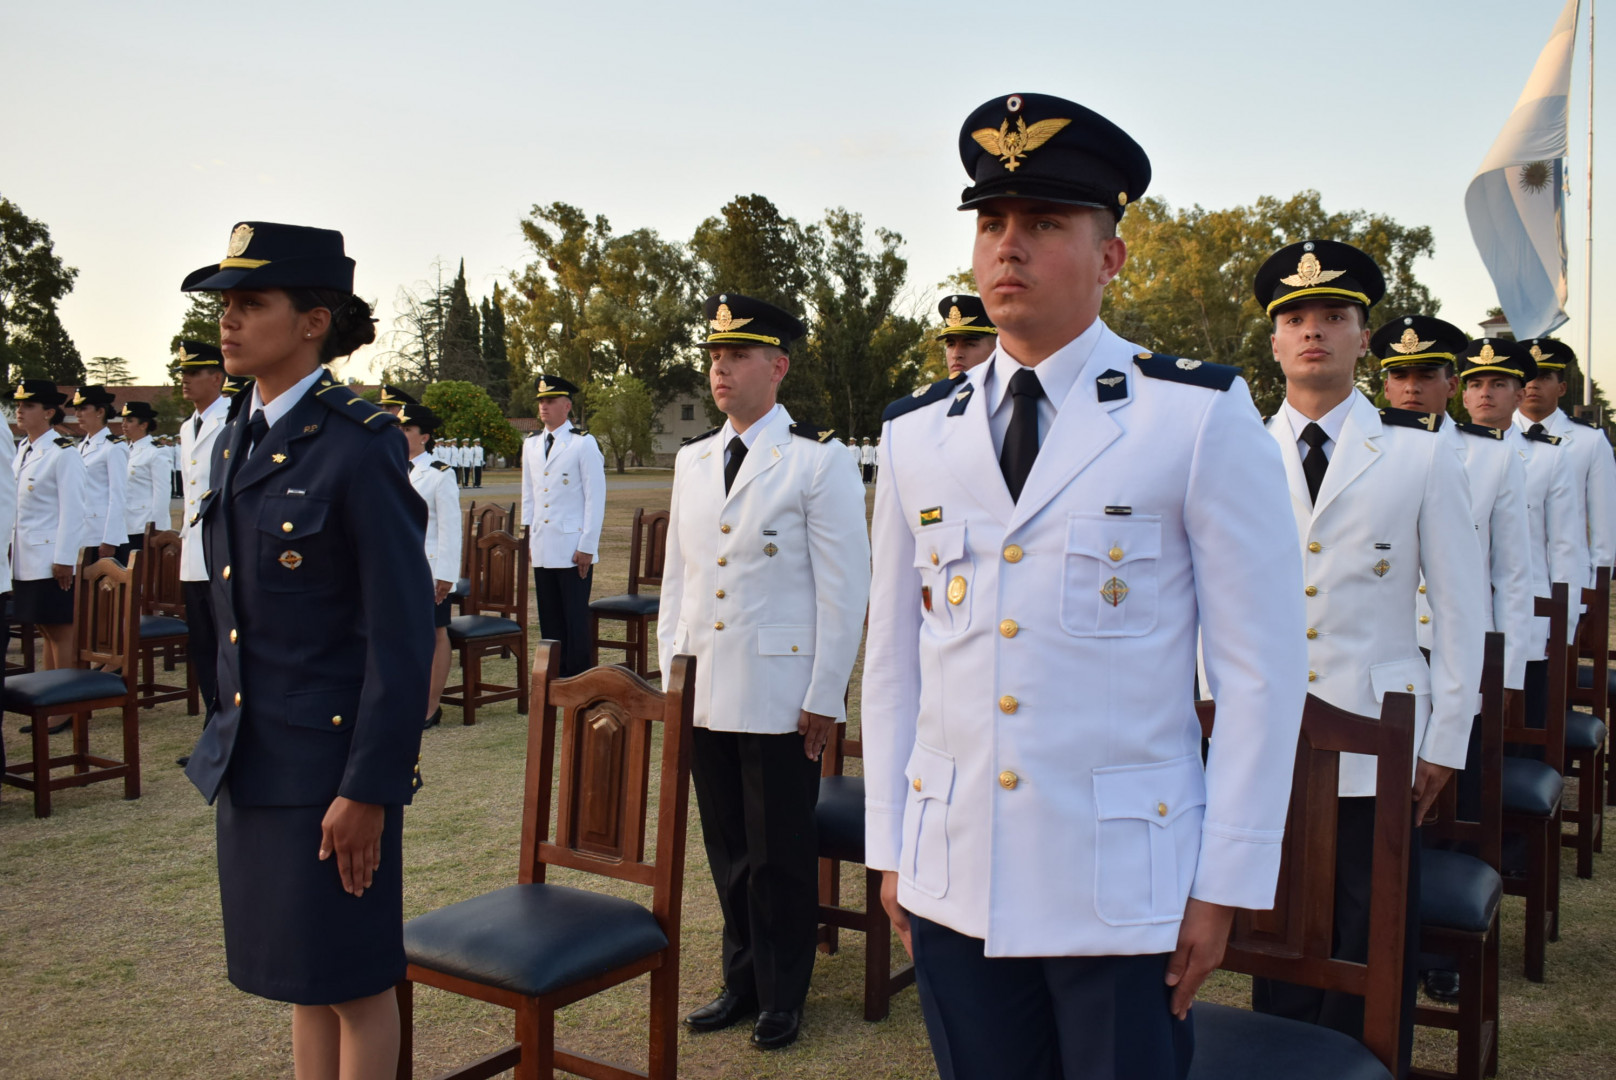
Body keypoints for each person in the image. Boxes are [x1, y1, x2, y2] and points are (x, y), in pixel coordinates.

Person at [863, 93, 1306, 1080]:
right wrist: (890, 847)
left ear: (1108, 255)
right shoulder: (914, 432)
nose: (1006, 248)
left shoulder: (1190, 415)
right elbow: (893, 660)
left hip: (1121, 891)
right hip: (952, 872)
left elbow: (1260, 675)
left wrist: (1221, 883)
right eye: (990, 223)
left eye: (1042, 224)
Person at [179, 220, 434, 1080]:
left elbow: (402, 639)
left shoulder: (359, 447)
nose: (230, 321)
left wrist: (367, 788)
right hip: (256, 759)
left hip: (330, 773)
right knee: (302, 981)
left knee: (356, 985)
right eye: (226, 305)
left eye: (253, 303)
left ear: (314, 320)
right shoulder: (231, 436)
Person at [1251, 240, 1486, 1078]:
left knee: (1369, 937)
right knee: (1274, 934)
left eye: (1334, 317)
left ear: (1363, 340)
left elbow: (1462, 611)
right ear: (1274, 342)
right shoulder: (1237, 452)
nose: (1313, 330)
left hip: (1379, 738)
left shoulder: (1421, 455)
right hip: (1267, 737)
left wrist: (1445, 742)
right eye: (1295, 318)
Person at [662, 292, 870, 1051]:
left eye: (738, 355)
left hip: (783, 694)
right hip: (709, 683)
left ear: (777, 367)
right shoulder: (693, 461)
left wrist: (825, 696)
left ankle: (784, 994)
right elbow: (680, 579)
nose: (721, 367)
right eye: (715, 355)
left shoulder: (818, 461)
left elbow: (845, 590)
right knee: (727, 846)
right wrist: (671, 674)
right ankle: (741, 978)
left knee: (780, 850)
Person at [1376, 317, 1533, 707]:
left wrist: (1509, 673)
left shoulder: (1492, 455)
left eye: (1426, 375)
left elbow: (1512, 574)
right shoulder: (1363, 455)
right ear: (1385, 386)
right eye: (1400, 375)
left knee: (1458, 764)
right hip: (1382, 651)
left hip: (1459, 647)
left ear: (1451, 385)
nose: (1411, 387)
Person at [1465, 337, 1586, 730]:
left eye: (1498, 384)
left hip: (1529, 620)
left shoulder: (1549, 457)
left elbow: (1566, 547)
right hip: (1462, 614)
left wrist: (1561, 629)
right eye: (1477, 384)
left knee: (1520, 731)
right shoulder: (1443, 453)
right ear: (1463, 394)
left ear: (1518, 394)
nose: (1486, 394)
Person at [1515, 337, 1616, 596]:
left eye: (1544, 376)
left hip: (1572, 582)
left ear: (1561, 387)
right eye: (1527, 377)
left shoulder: (1590, 441)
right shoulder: (1493, 436)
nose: (1534, 384)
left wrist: (1597, 591)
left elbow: (1603, 523)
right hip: (1510, 578)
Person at [520, 375, 605, 677]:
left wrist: (587, 546)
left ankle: (578, 678)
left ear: (566, 406)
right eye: (541, 401)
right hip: (544, 544)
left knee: (575, 618)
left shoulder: (583, 443)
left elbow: (596, 498)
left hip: (572, 547)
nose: (544, 406)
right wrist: (528, 537)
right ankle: (554, 677)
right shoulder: (531, 444)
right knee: (550, 618)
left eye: (550, 400)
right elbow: (529, 495)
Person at [178, 340, 231, 748]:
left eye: (193, 373)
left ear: (217, 377)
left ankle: (231, 727)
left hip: (224, 548)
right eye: (181, 373)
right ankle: (213, 728)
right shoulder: (185, 427)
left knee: (227, 642)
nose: (184, 380)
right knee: (202, 642)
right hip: (193, 550)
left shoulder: (235, 417)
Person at [11, 380, 85, 675]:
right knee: (44, 628)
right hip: (25, 557)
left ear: (48, 412)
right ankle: (51, 692)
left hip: (49, 559)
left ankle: (65, 705)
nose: (19, 410)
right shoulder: (24, 450)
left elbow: (73, 509)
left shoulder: (62, 452)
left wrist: (65, 559)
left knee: (59, 630)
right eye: (18, 405)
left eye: (28, 405)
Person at [400, 403, 460, 729]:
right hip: (397, 569)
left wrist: (446, 575)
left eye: (406, 429)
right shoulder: (391, 468)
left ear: (423, 436)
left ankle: (430, 706)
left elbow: (451, 528)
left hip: (429, 569)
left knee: (436, 633)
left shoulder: (439, 473)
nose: (400, 434)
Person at [69, 385, 129, 562]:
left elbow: (117, 496)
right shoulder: (82, 446)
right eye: (76, 409)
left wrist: (110, 539)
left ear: (100, 411)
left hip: (101, 535)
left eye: (83, 408)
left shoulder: (114, 447)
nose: (78, 414)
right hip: (83, 533)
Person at [119, 401, 170, 555]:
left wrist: (157, 529)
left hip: (143, 526)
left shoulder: (155, 452)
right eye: (123, 420)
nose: (124, 425)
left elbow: (162, 493)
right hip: (124, 526)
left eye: (130, 420)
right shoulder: (124, 450)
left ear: (143, 425)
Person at [937, 293, 998, 376]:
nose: (956, 355)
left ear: (996, 348)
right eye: (951, 345)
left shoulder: (1016, 388)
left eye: (969, 344)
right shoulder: (937, 389)